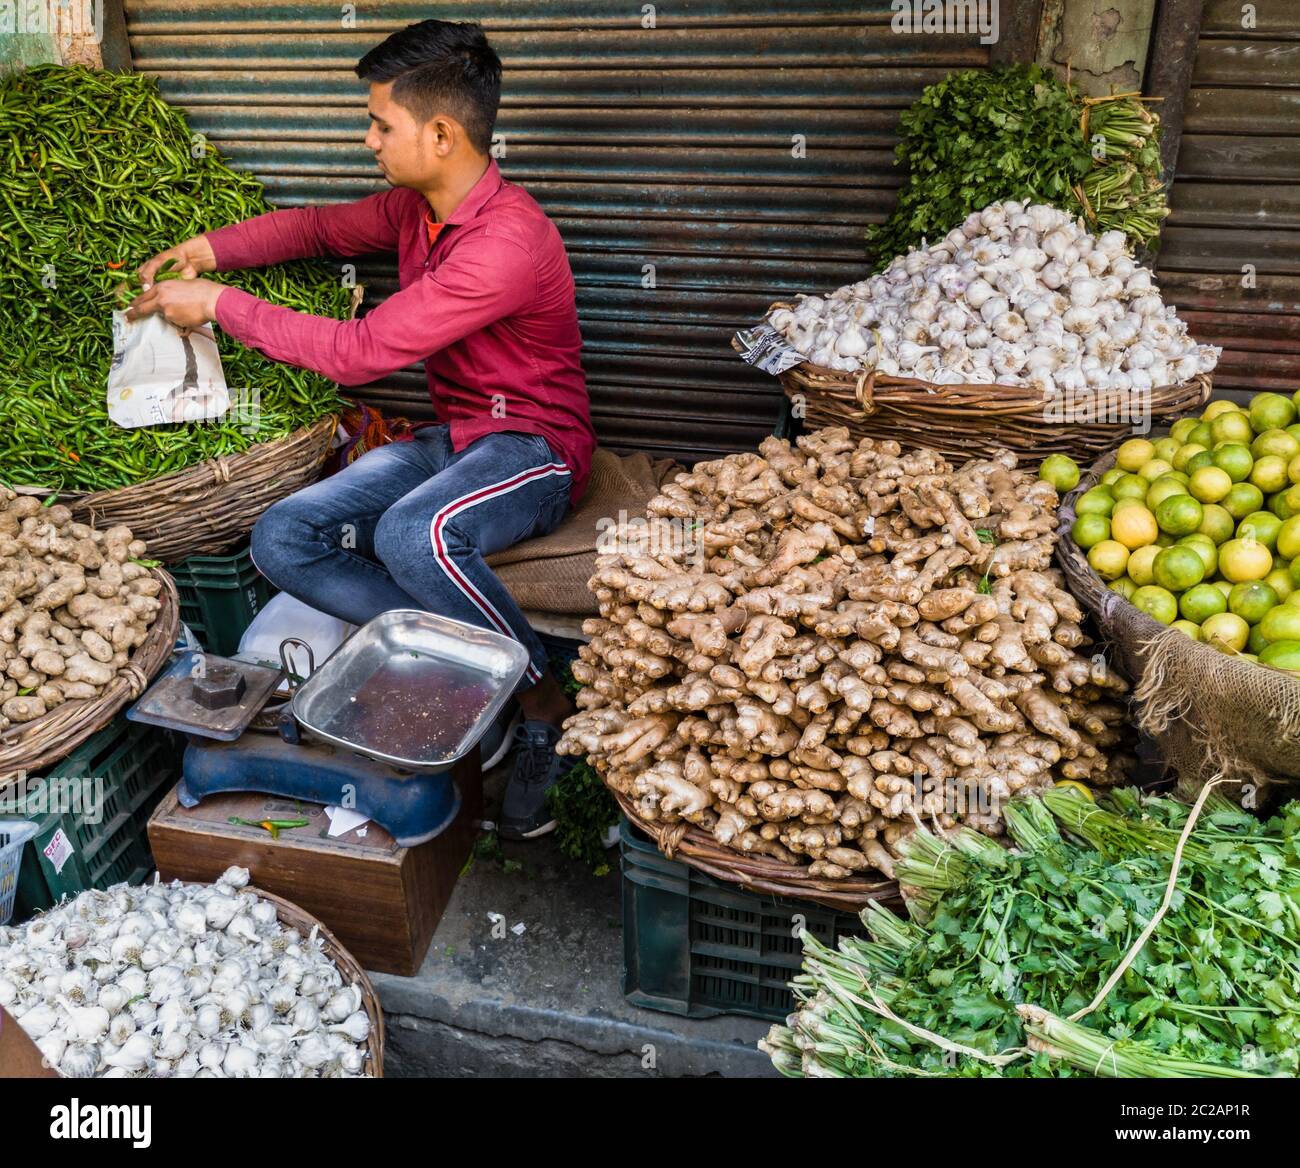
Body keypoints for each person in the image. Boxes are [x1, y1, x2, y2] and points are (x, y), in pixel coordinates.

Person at [126, 20, 596, 840]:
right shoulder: (417, 211)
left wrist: (221, 309)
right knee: (283, 537)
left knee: (415, 535)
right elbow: (314, 230)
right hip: (450, 438)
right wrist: (208, 251)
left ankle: (537, 702)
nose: (367, 138)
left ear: (442, 133)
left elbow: (362, 353)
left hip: (532, 447)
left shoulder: (505, 243)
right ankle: (453, 673)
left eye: (381, 123)